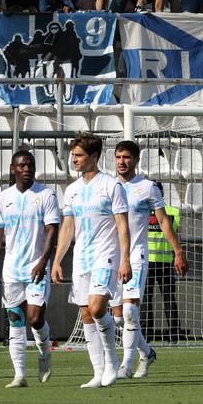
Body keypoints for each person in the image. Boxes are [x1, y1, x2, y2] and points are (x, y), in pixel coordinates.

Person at [52, 133, 132, 388]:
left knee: (98, 308)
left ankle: (111, 361)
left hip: (105, 255)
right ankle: (98, 372)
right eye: (72, 155)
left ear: (94, 157)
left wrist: (125, 260)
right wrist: (56, 261)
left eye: (78, 155)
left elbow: (122, 226)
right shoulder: (73, 190)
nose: (73, 160)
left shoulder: (111, 186)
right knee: (86, 314)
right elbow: (67, 228)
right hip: (81, 259)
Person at [112, 141, 188, 379]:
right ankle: (146, 352)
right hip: (111, 257)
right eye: (118, 157)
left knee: (130, 312)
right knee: (116, 318)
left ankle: (126, 364)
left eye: (126, 157)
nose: (121, 162)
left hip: (136, 256)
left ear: (135, 160)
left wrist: (178, 251)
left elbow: (164, 220)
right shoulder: (108, 185)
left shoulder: (147, 187)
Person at [0, 151, 59, 388]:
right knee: (16, 321)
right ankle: (19, 375)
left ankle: (44, 351)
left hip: (37, 268)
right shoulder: (2, 198)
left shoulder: (46, 195)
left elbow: (52, 231)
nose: (27, 168)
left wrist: (42, 261)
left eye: (30, 165)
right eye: (22, 165)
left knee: (35, 318)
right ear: (12, 169)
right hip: (11, 271)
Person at [141, 186, 189, 340]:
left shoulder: (143, 212)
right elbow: (175, 233)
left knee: (146, 298)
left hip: (146, 261)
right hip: (166, 261)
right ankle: (174, 331)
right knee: (169, 297)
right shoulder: (173, 212)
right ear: (161, 194)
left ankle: (146, 332)